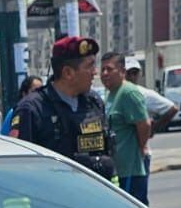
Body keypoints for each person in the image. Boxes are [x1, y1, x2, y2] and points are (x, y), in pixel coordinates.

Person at [9, 35, 113, 177]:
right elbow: (21, 166)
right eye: (89, 66)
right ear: (68, 73)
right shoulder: (32, 109)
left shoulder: (94, 103)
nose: (95, 72)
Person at [100, 50, 153, 200]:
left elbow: (144, 124)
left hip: (130, 170)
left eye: (109, 69)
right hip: (117, 170)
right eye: (102, 69)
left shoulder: (128, 93)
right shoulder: (111, 94)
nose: (104, 73)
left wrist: (140, 147)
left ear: (122, 71)